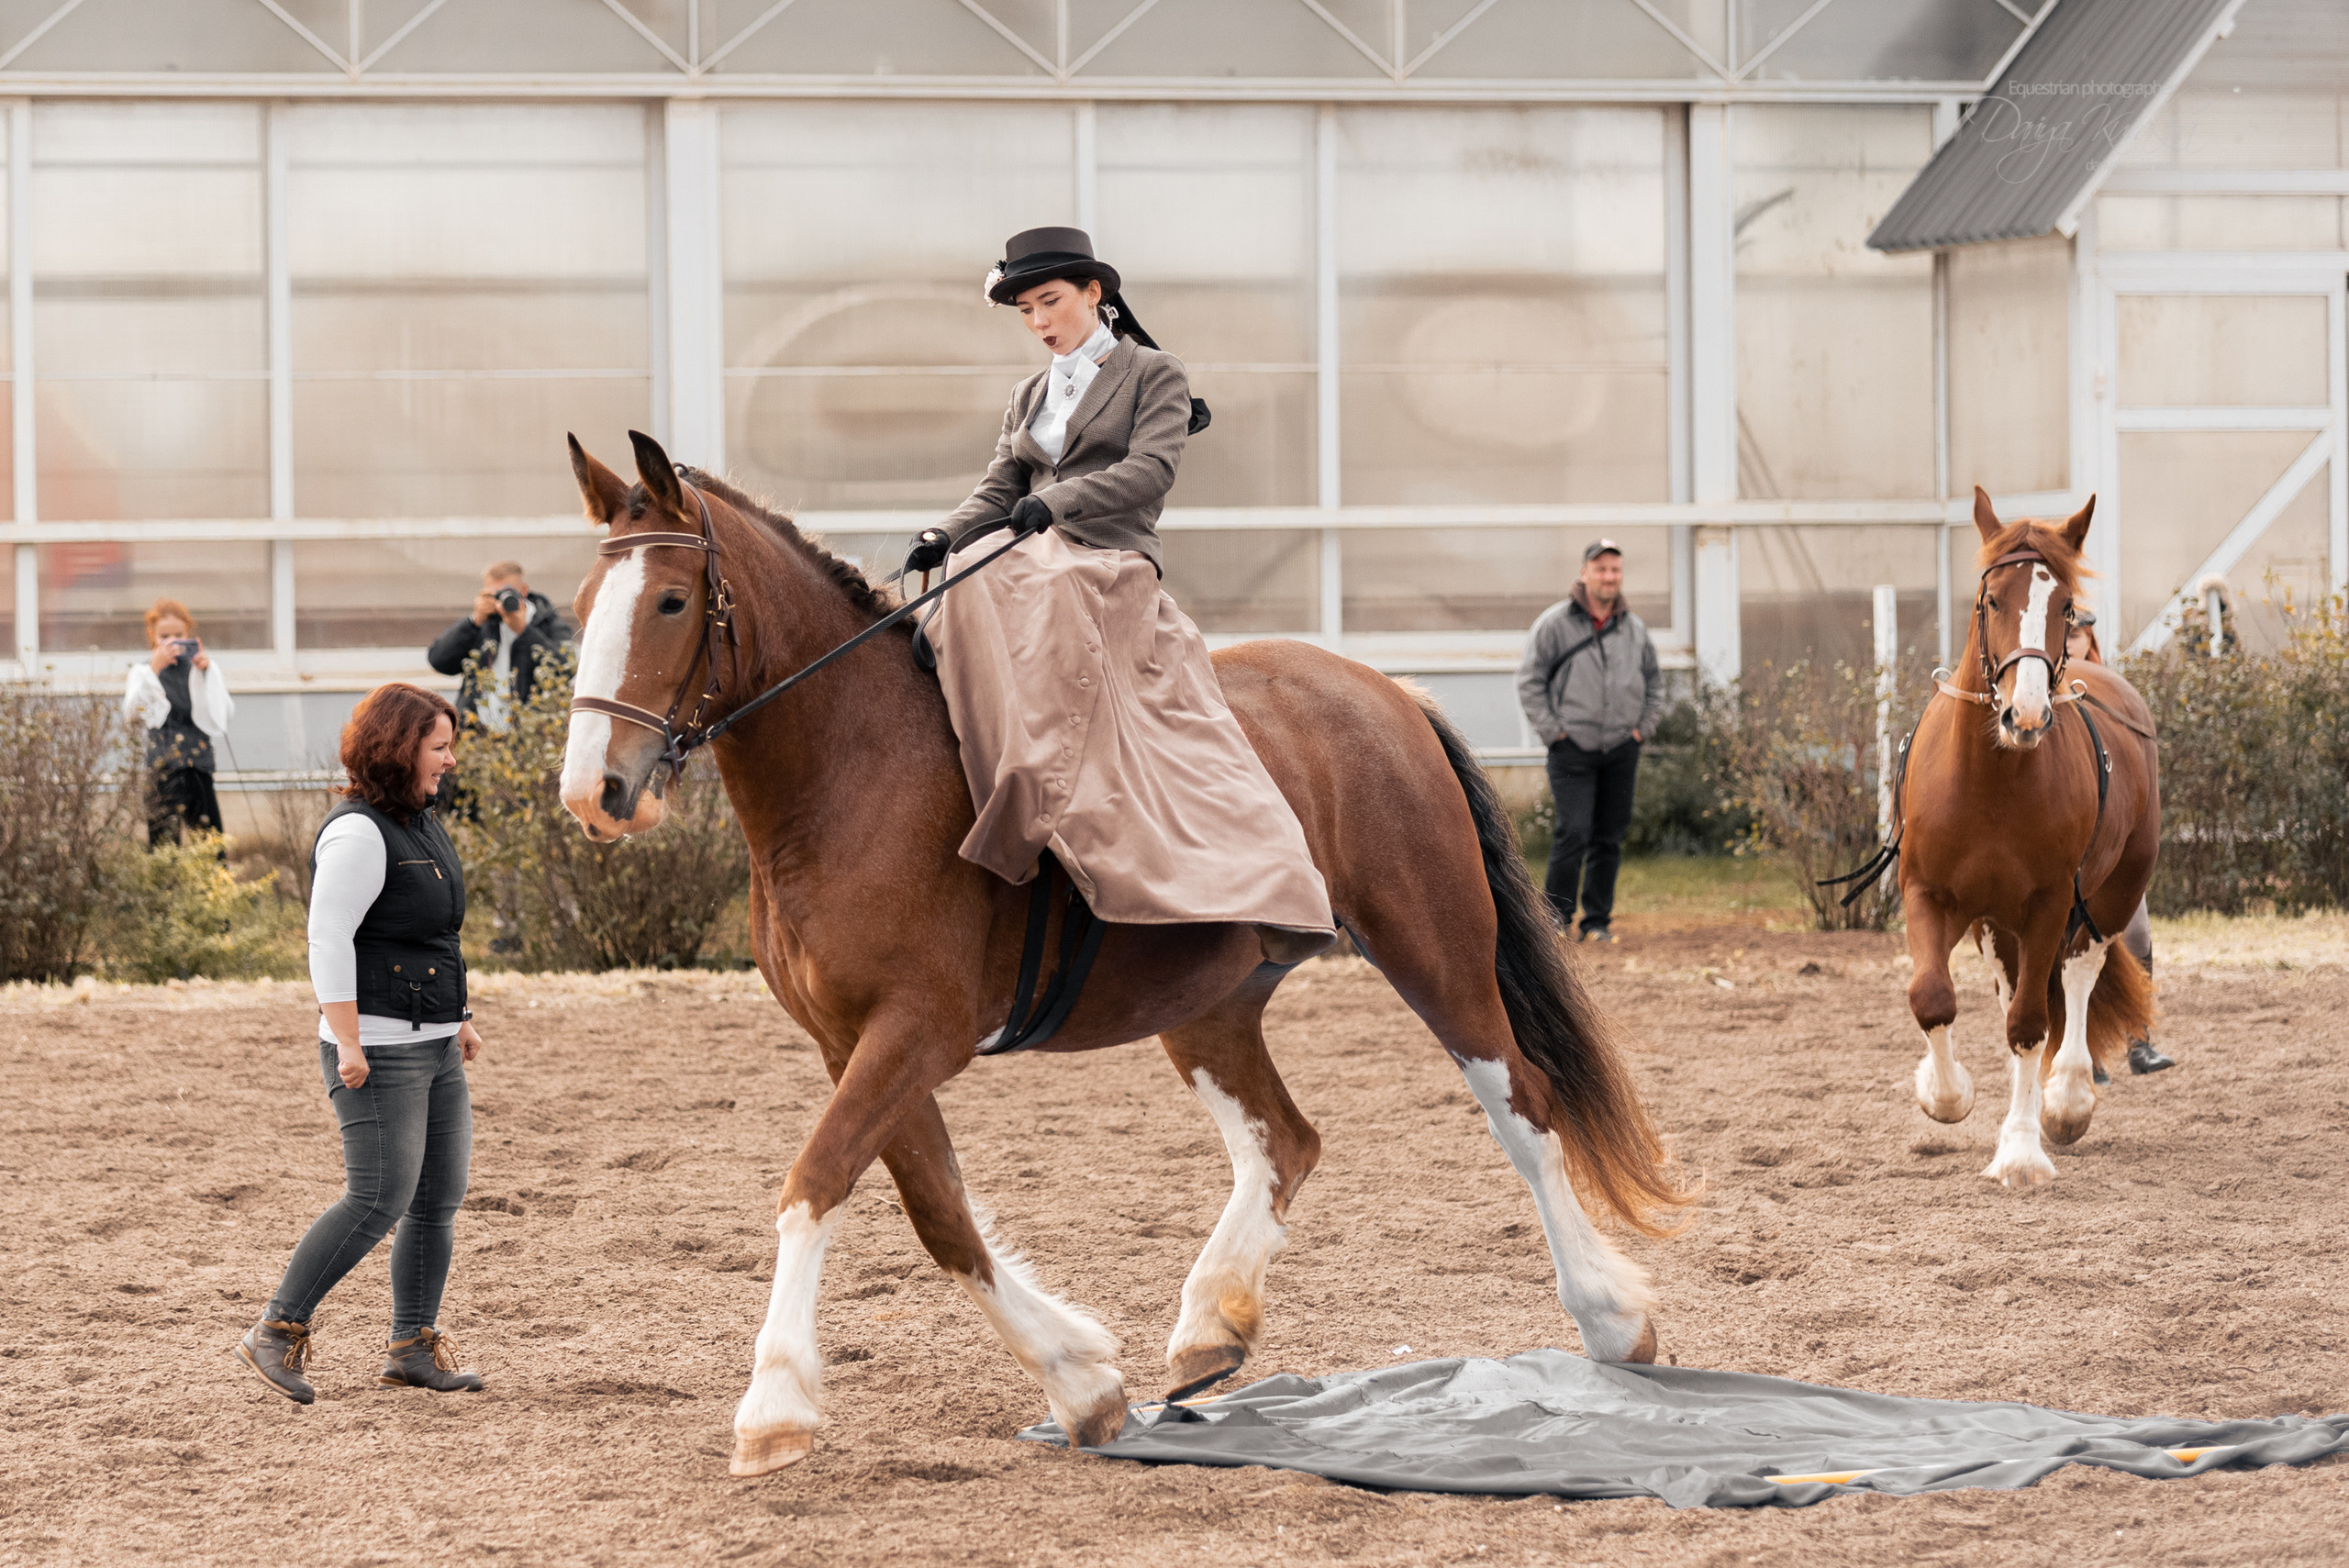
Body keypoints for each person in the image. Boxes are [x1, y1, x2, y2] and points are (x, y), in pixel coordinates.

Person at [898, 226, 1332, 964]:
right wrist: (943, 533)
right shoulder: (1030, 393)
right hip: (1028, 549)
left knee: (1040, 577)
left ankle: (1033, 788)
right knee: (965, 573)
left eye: (1050, 302)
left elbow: (1152, 470)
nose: (1039, 322)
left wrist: (1059, 503)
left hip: (1107, 555)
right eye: (1026, 310)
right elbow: (1001, 485)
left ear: (1094, 294)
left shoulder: (1153, 372)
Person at [235, 682, 488, 1405]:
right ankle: (276, 1330)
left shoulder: (422, 822)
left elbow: (436, 932)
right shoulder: (358, 832)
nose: (449, 759)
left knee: (438, 1195)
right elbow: (329, 940)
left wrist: (458, 1014)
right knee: (378, 1195)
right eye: (438, 746)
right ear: (399, 748)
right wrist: (347, 1040)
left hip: (433, 1041)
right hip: (376, 1045)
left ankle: (411, 1345)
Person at [1516, 539, 1664, 942]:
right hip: (1571, 749)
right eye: (1601, 569)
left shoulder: (1633, 628)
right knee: (1573, 831)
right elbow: (1530, 682)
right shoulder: (1555, 624)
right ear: (1584, 573)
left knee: (1609, 837)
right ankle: (1555, 920)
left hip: (1621, 747)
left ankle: (1597, 921)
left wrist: (1641, 730)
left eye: (1615, 570)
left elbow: (1654, 681)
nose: (1609, 577)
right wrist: (1555, 733)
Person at [2065, 607, 2174, 1078]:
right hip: (2070, 853)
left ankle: (2139, 1041)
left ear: (2090, 641)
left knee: (2138, 937)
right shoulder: (2041, 696)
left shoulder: (2112, 697)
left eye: (2078, 635)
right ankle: (2082, 1050)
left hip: (2115, 846)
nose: (2071, 643)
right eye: (2065, 635)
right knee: (2067, 949)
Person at [122, 597, 234, 847]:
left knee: (210, 847)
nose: (171, 642)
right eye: (164, 636)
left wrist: (206, 674)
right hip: (162, 769)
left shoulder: (200, 668)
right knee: (164, 849)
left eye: (178, 635)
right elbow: (133, 713)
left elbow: (222, 713)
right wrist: (154, 669)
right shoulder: (142, 672)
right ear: (152, 635)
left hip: (198, 766)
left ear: (188, 634)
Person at [427, 561, 568, 732]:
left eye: (507, 592)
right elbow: (438, 660)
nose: (502, 599)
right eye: (495, 594)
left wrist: (524, 631)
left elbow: (565, 669)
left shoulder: (546, 622)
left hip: (530, 734)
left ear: (523, 591)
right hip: (477, 734)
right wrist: (473, 622)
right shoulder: (482, 625)